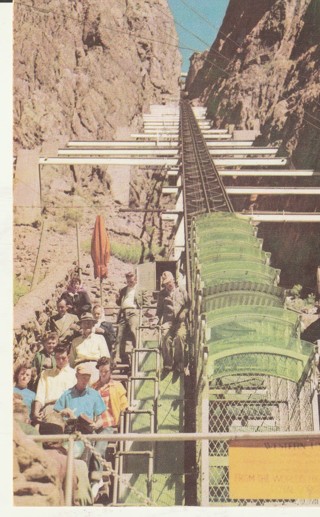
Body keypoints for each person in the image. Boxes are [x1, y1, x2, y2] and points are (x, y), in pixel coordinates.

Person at [91, 357, 129, 475]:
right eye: (101, 371)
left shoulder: (117, 386)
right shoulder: (93, 387)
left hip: (108, 424)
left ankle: (97, 476)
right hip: (93, 423)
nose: (103, 374)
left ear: (111, 371)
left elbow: (124, 405)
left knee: (98, 449)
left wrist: (128, 408)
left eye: (106, 371)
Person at [155, 271, 190, 373]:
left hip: (180, 323)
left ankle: (179, 363)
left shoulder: (181, 290)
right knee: (164, 336)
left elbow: (188, 304)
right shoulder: (162, 294)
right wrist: (156, 320)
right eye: (166, 283)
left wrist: (184, 312)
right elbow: (159, 311)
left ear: (173, 280)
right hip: (168, 322)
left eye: (169, 282)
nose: (168, 285)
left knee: (180, 337)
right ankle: (168, 364)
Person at [32, 344, 77, 422]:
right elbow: (40, 396)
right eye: (57, 358)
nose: (60, 361)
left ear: (68, 357)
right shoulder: (45, 374)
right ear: (54, 358)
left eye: (63, 358)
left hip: (69, 409)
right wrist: (36, 412)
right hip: (51, 408)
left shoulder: (75, 374)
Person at [114, 271, 148, 364]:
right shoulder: (123, 290)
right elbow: (119, 303)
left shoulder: (141, 289)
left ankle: (138, 352)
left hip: (134, 312)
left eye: (131, 281)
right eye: (128, 281)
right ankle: (119, 357)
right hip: (123, 312)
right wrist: (117, 299)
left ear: (136, 280)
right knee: (119, 334)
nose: (129, 283)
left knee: (134, 330)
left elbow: (146, 304)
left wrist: (140, 313)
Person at [69, 313, 110, 384]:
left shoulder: (100, 338)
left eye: (89, 322)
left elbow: (105, 358)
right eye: (85, 323)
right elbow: (71, 362)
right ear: (81, 325)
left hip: (95, 367)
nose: (87, 325)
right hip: (79, 367)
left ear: (93, 324)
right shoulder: (75, 341)